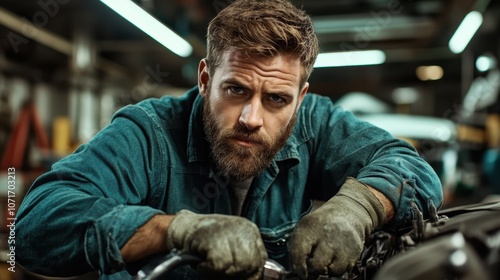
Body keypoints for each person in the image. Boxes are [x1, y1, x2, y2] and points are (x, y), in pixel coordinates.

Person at [16, 0, 443, 279]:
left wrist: (359, 207)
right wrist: (176, 230)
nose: (251, 118)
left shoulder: (316, 123)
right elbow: (33, 228)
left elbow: (410, 166)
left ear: (300, 98)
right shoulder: (147, 133)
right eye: (236, 90)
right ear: (205, 79)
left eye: (276, 99)